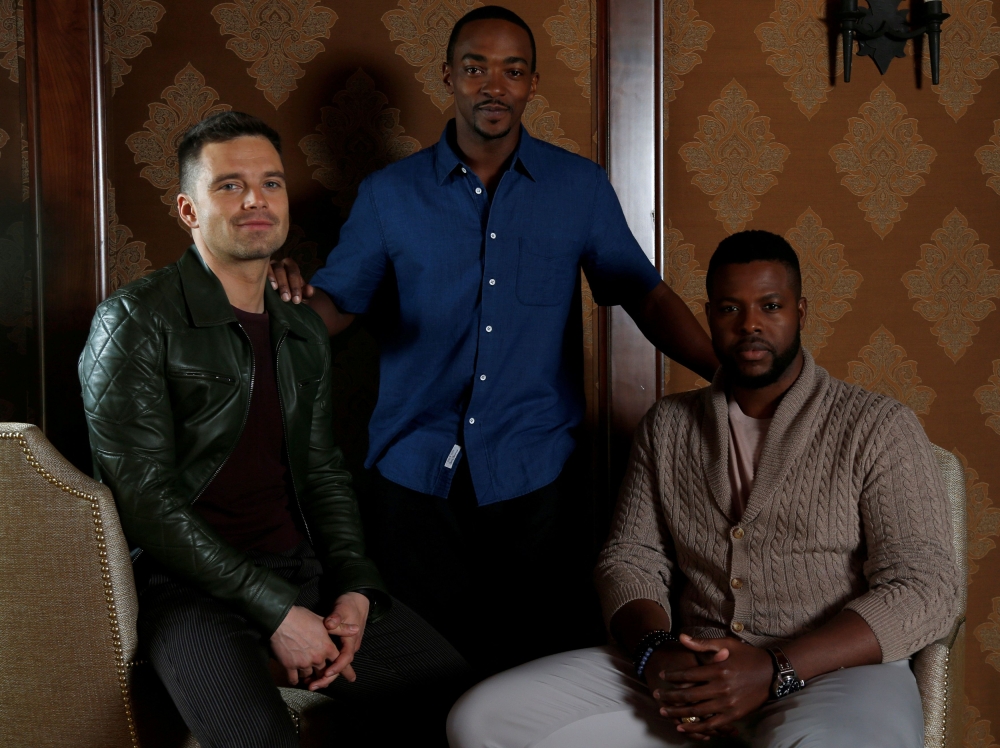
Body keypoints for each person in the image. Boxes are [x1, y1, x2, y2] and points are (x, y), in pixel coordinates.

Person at [268, 5, 719, 676]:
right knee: (418, 683)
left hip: (536, 479)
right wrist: (291, 308)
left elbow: (643, 293)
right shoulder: (389, 195)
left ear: (532, 83)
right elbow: (339, 303)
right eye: (477, 68)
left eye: (512, 70)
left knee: (532, 677)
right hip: (411, 478)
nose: (494, 86)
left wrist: (728, 374)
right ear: (449, 76)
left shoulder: (579, 188)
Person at [447, 230, 961, 748]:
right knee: (485, 719)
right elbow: (630, 560)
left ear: (800, 312)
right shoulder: (668, 426)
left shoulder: (877, 426)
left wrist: (775, 668)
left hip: (835, 671)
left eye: (770, 305)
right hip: (694, 666)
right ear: (710, 315)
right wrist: (656, 653)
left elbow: (927, 588)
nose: (751, 324)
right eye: (730, 308)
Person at [78, 111, 469, 748]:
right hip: (185, 587)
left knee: (460, 705)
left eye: (271, 183)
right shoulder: (132, 321)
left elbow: (322, 474)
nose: (256, 198)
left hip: (299, 568)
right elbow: (146, 505)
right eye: (229, 185)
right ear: (188, 210)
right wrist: (277, 614)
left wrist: (356, 589)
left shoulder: (301, 329)